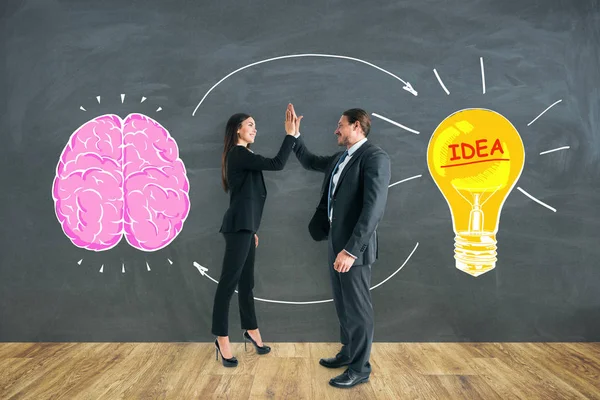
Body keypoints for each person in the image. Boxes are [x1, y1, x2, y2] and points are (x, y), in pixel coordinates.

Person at [290, 104, 391, 388]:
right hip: (336, 243)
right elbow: (310, 161)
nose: (336, 130)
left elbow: (373, 209)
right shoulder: (341, 158)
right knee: (343, 305)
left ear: (357, 126)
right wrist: (295, 137)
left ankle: (360, 368)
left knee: (358, 309)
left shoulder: (375, 158)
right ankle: (348, 353)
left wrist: (351, 250)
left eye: (341, 125)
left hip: (352, 250)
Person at [212, 107, 298, 367]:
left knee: (247, 284)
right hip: (238, 228)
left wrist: (253, 229)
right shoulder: (238, 154)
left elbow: (247, 197)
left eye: (255, 125)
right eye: (250, 124)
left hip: (245, 228)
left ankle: (251, 330)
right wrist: (290, 136)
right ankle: (222, 338)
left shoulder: (243, 155)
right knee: (228, 285)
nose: (255, 128)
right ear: (238, 129)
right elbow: (277, 164)